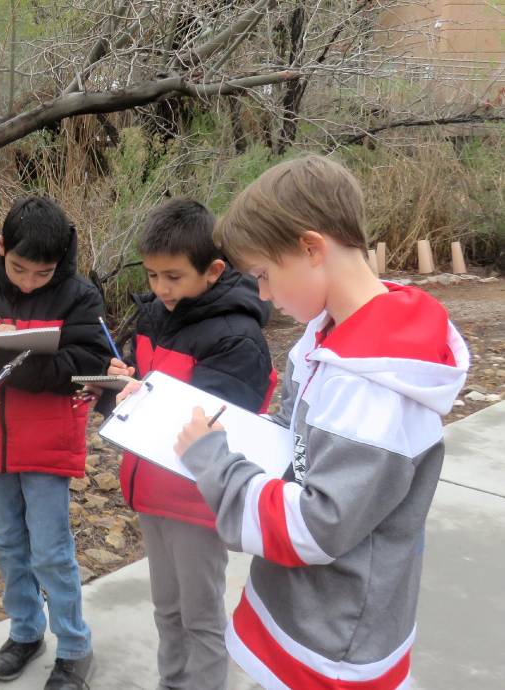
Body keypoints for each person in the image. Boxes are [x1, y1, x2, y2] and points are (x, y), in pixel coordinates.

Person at [172, 155, 469, 689]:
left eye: (263, 276)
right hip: (307, 605)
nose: (262, 295)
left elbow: (316, 526)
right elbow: (295, 436)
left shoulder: (373, 386)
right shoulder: (330, 336)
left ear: (312, 248)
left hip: (335, 636)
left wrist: (214, 463)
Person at [0, 196, 111, 689]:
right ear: (1, 246)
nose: (29, 281)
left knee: (52, 550)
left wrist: (19, 362)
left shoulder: (79, 295)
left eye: (42, 273)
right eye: (18, 268)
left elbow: (87, 365)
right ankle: (25, 631)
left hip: (48, 442)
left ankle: (75, 645)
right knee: (9, 545)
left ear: (59, 263)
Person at [100, 199, 274, 690]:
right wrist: (120, 386)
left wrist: (144, 399)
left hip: (196, 501)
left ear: (214, 270)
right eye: (152, 275)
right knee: (166, 609)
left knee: (199, 617)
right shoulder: (154, 315)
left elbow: (217, 429)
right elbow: (145, 389)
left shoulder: (237, 338)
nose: (160, 288)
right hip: (151, 491)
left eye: (173, 277)